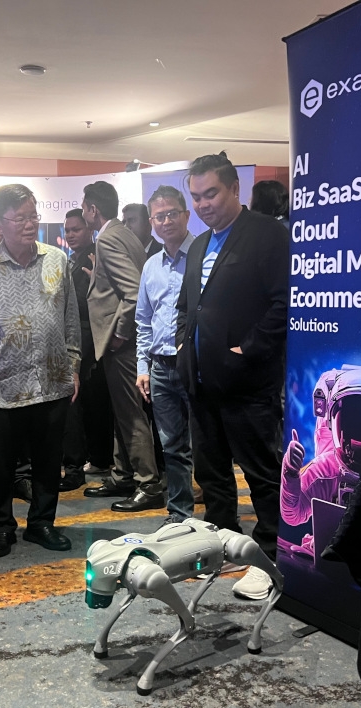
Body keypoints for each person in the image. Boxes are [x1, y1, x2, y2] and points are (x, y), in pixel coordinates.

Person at [176, 152, 290, 599]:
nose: (203, 204)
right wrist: (184, 346)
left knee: (262, 474)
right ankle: (223, 545)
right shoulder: (198, 245)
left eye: (211, 193)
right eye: (196, 196)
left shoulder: (267, 234)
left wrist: (248, 349)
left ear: (234, 189)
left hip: (248, 382)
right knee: (212, 475)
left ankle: (270, 557)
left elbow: (283, 303)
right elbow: (189, 306)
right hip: (201, 381)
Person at [0, 184, 80, 558]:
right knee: (1, 464)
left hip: (52, 379)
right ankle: (1, 527)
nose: (30, 224)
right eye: (20, 218)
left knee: (48, 460)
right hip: (2, 384)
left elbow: (71, 319)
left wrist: (74, 365)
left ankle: (42, 523)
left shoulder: (57, 260)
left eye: (33, 216)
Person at [82, 181, 163, 509]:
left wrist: (119, 333)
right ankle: (123, 475)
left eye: (84, 207)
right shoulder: (124, 233)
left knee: (130, 413)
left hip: (123, 343)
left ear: (93, 209)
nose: (84, 213)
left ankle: (149, 483)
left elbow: (133, 291)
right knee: (123, 410)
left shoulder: (109, 238)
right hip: (128, 342)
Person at [135, 186, 195, 523]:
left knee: (208, 447)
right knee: (172, 446)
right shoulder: (150, 266)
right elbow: (143, 320)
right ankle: (180, 514)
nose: (167, 221)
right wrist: (142, 367)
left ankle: (220, 517)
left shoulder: (203, 256)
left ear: (186, 215)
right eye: (160, 216)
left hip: (195, 365)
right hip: (160, 367)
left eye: (173, 213)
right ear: (152, 222)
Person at [59, 208, 113, 490]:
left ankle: (91, 460)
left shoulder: (94, 257)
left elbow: (84, 303)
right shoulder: (71, 260)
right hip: (77, 339)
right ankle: (93, 458)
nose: (70, 235)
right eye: (67, 230)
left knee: (90, 404)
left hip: (91, 341)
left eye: (76, 229)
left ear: (89, 230)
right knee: (86, 404)